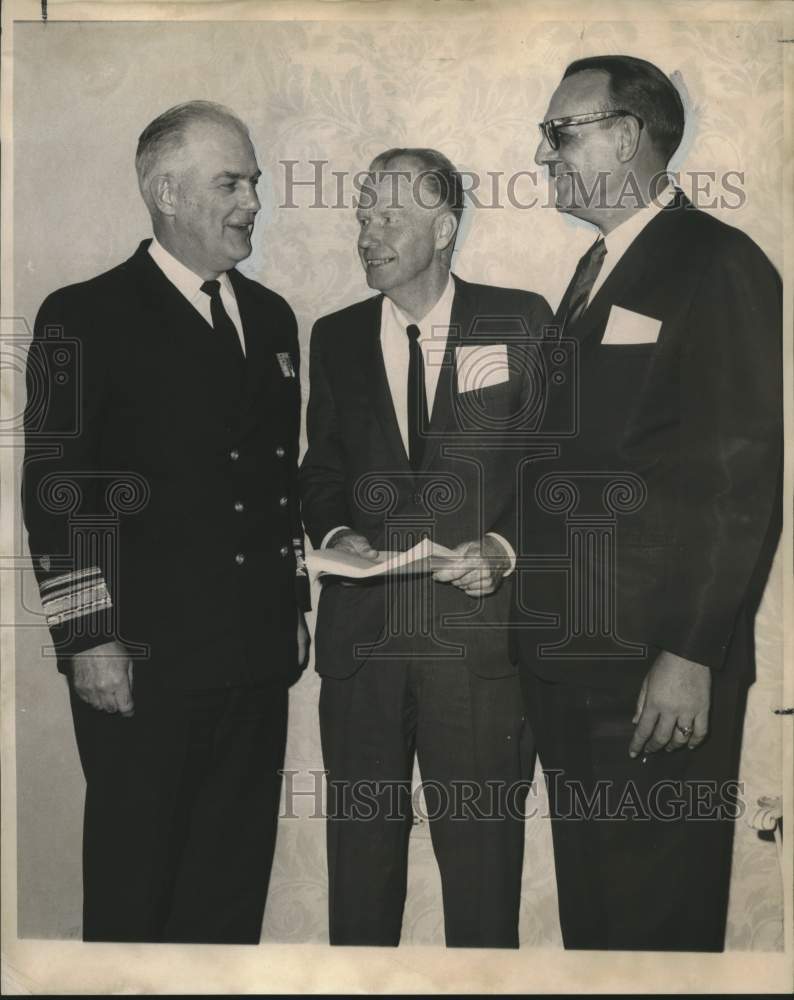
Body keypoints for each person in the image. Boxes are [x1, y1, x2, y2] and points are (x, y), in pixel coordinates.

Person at [21, 101, 310, 943]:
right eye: (231, 182)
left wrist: (293, 605)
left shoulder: (274, 317)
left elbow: (275, 482)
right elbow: (56, 489)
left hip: (255, 659)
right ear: (166, 192)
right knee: (136, 889)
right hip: (140, 665)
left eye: (253, 181)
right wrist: (88, 639)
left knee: (228, 898)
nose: (253, 200)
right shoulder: (84, 314)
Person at [515, 55, 782, 950]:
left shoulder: (717, 262)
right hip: (570, 662)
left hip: (653, 674)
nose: (543, 151)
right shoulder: (593, 271)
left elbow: (739, 478)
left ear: (626, 137)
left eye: (561, 131)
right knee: (597, 925)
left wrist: (688, 654)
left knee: (656, 930)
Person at [300, 147, 552, 947]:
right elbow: (323, 471)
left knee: (482, 889)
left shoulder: (520, 320)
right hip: (361, 650)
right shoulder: (335, 336)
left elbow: (556, 470)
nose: (369, 232)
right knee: (360, 885)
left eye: (391, 216)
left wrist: (506, 549)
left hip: (477, 652)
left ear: (445, 228)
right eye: (364, 215)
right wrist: (337, 533)